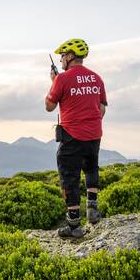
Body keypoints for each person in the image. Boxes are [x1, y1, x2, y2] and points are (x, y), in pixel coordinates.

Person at [45, 38, 107, 238]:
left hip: (72, 136)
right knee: (91, 168)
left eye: (62, 55)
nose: (61, 60)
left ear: (70, 56)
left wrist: (54, 82)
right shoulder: (97, 78)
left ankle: (74, 226)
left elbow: (49, 106)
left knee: (69, 178)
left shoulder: (62, 79)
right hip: (94, 134)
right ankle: (93, 210)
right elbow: (102, 108)